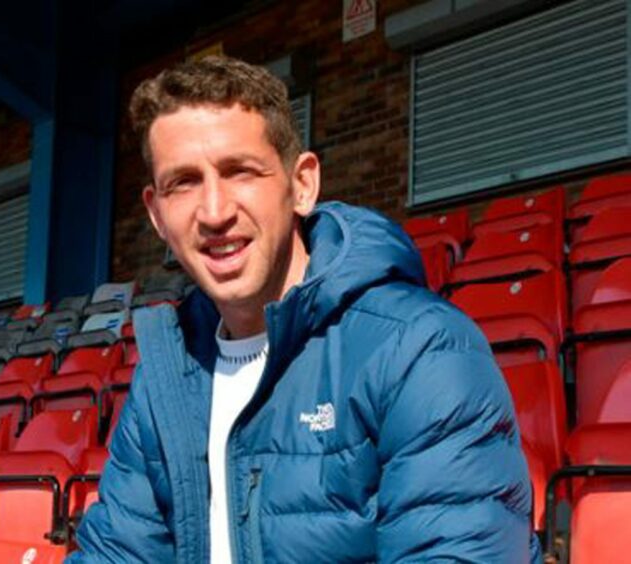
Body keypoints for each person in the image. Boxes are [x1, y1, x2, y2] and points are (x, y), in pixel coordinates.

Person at [68, 56, 539, 563]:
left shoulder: (420, 348)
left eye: (240, 171)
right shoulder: (165, 377)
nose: (214, 212)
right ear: (156, 214)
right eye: (182, 182)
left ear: (302, 185)